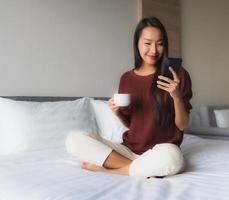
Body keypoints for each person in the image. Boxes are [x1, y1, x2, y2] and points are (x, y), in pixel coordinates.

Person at [65, 17, 193, 178]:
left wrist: (177, 97)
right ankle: (142, 169)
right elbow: (132, 124)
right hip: (128, 151)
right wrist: (117, 112)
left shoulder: (178, 75)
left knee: (173, 158)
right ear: (137, 44)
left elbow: (182, 125)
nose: (154, 50)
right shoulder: (126, 78)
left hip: (161, 150)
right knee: (74, 140)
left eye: (160, 43)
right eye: (147, 43)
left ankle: (108, 169)